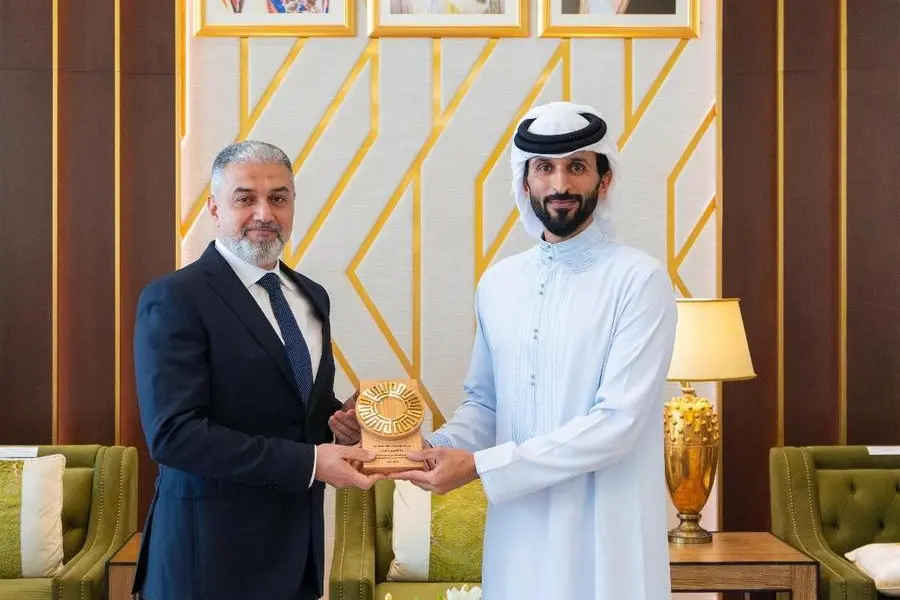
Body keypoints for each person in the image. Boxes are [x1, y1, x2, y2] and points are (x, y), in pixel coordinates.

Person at [389, 101, 677, 600]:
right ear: (525, 182)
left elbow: (618, 425)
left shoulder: (640, 280)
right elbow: (486, 404)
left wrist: (481, 467)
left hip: (605, 530)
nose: (560, 184)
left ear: (604, 180)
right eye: (544, 168)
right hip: (518, 530)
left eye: (577, 167)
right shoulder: (499, 283)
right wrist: (420, 448)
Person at [132, 140, 380, 600]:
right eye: (245, 198)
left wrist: (339, 423)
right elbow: (173, 435)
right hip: (207, 562)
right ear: (214, 208)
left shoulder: (311, 296)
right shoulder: (175, 298)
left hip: (297, 556)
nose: (264, 213)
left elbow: (296, 404)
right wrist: (310, 462)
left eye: (278, 198)